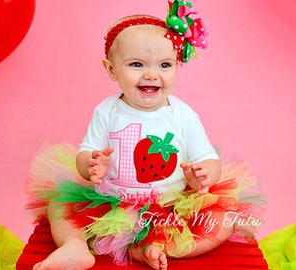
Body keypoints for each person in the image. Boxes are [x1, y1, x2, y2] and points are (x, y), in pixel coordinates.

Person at [27, 1, 264, 270]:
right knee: (59, 203)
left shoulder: (183, 115)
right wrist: (91, 163)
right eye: (137, 64)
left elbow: (208, 158)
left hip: (170, 208)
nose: (151, 74)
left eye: (165, 65)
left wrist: (204, 174)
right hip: (112, 206)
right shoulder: (106, 111)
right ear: (111, 69)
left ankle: (150, 248)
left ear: (177, 65)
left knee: (222, 222)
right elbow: (86, 151)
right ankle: (76, 246)